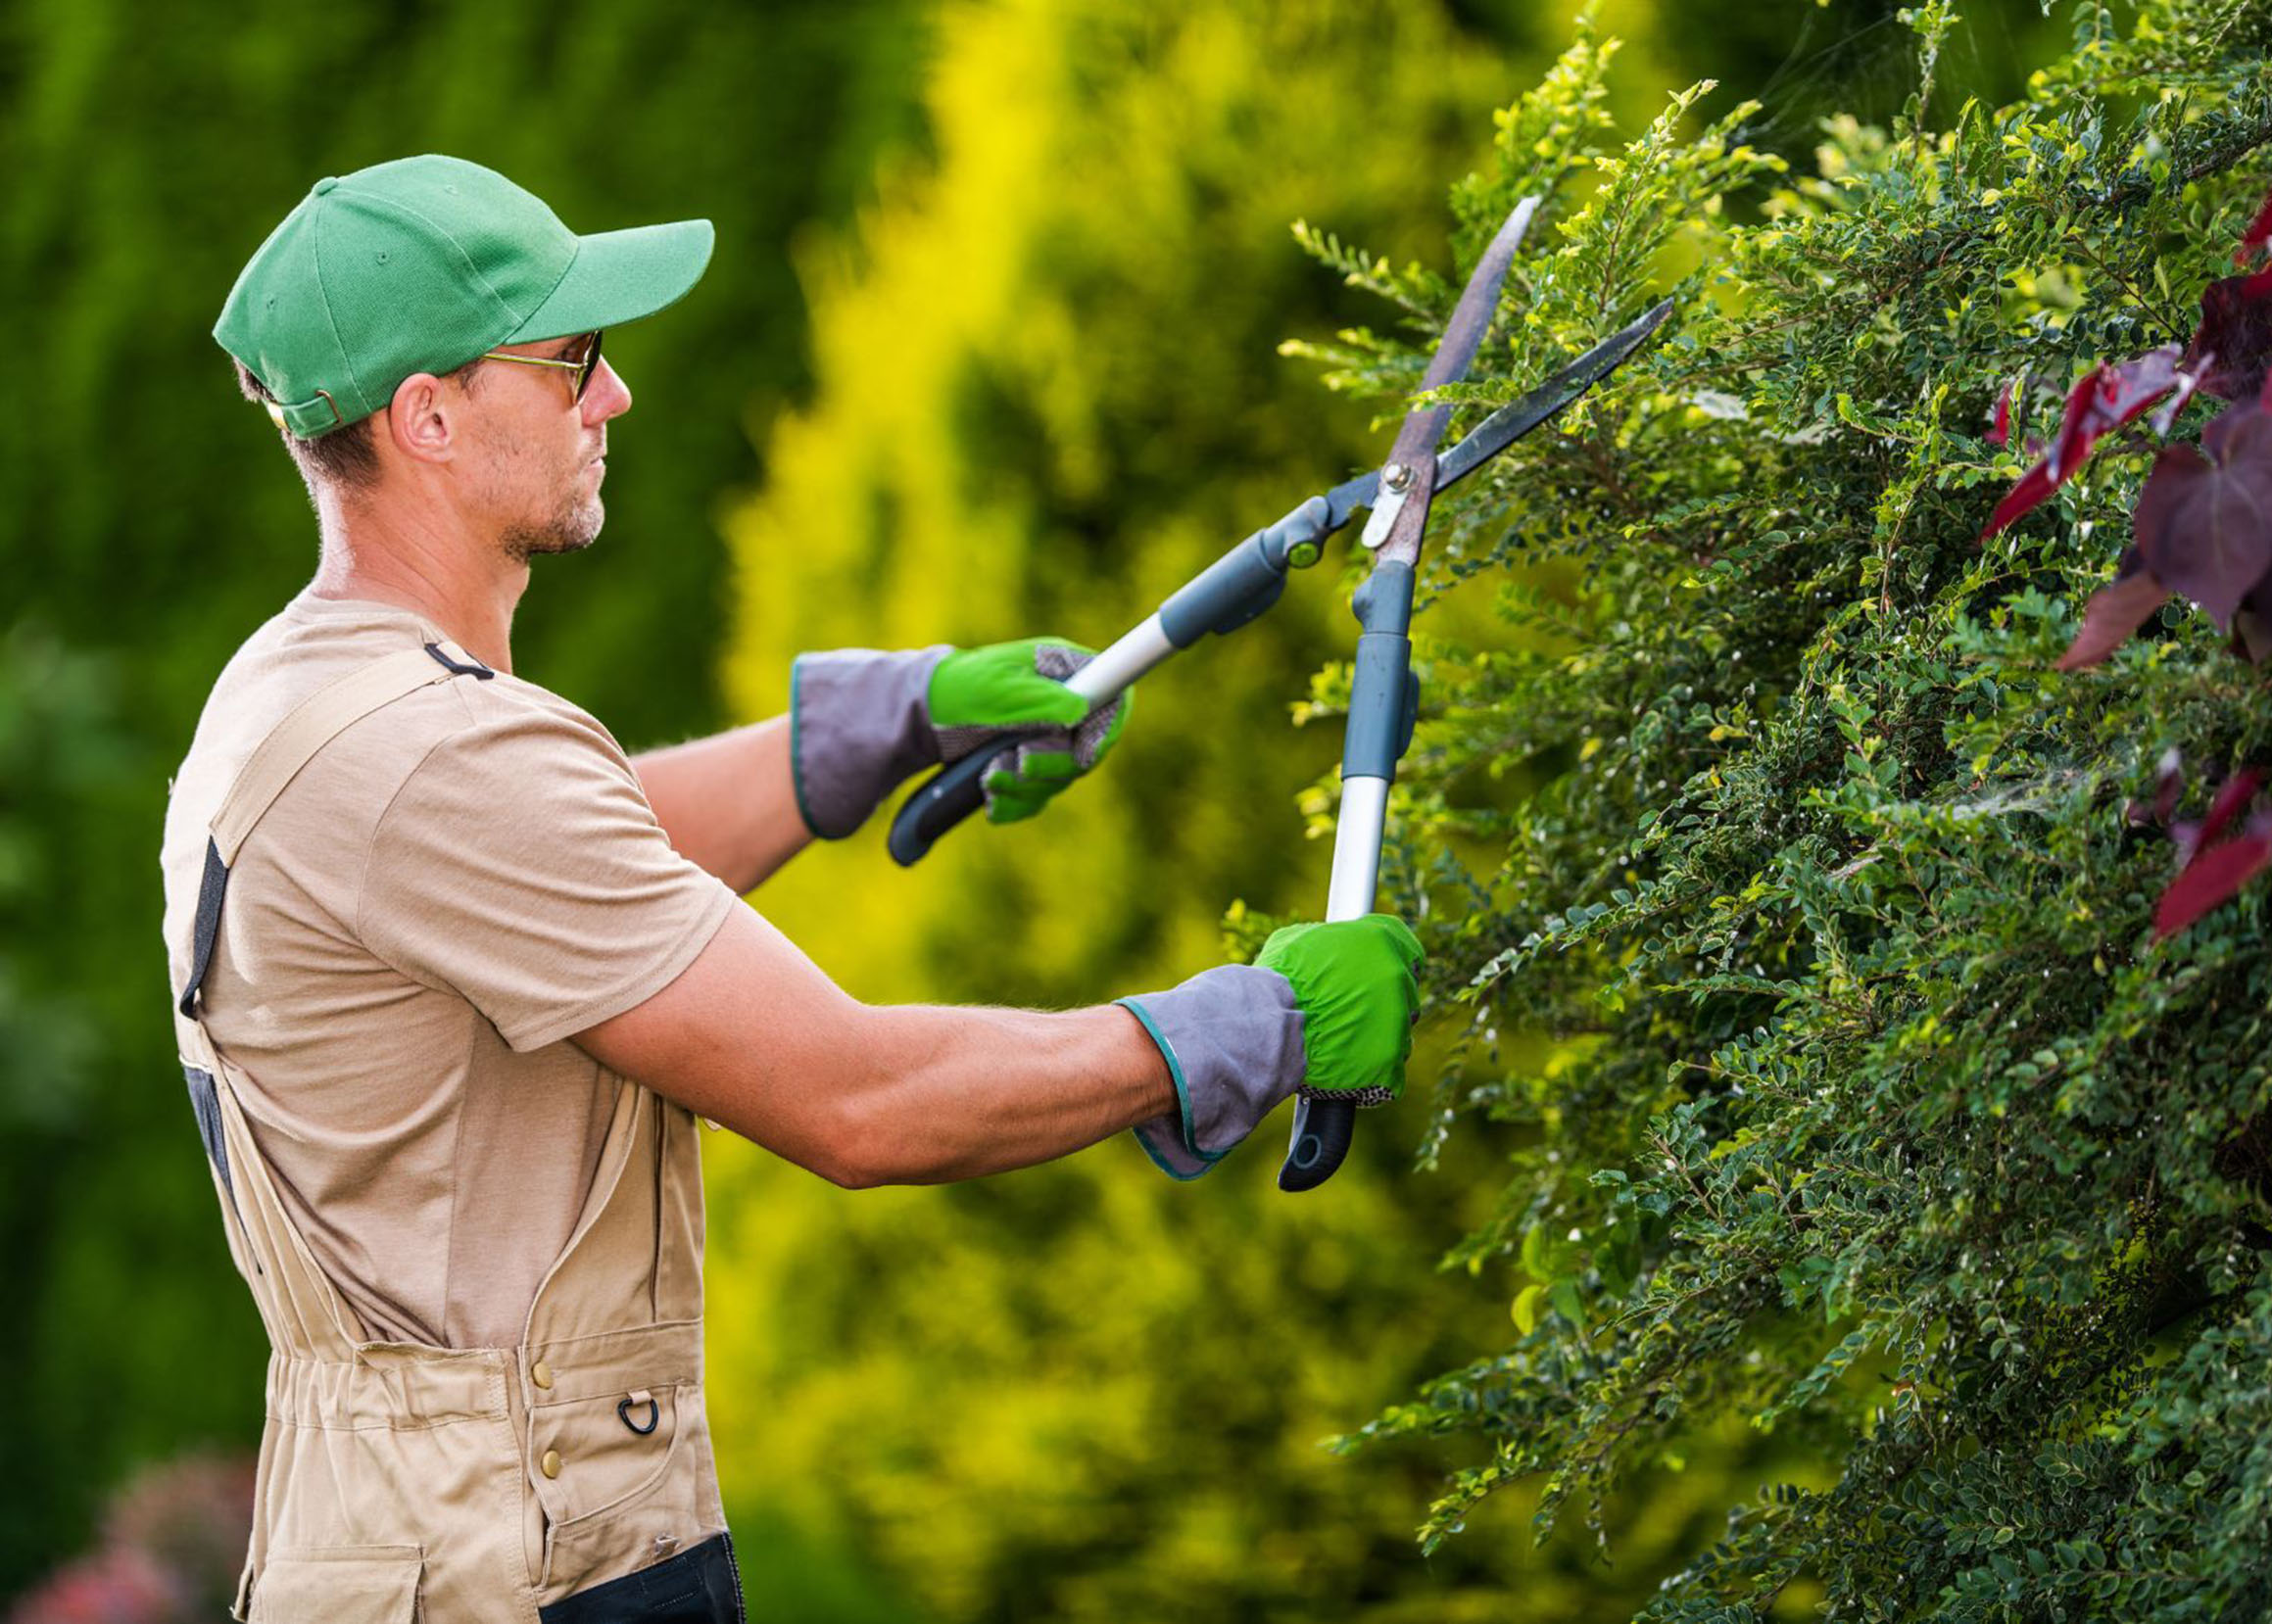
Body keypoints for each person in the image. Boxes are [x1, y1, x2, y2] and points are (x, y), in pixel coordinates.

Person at [159, 155, 1423, 1624]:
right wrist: (1242, 1029)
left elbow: (574, 860)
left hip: (414, 1538)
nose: (612, 397)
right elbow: (857, 1100)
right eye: (570, 362)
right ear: (427, 416)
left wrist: (891, 716)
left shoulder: (305, 697)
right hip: (523, 1568)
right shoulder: (436, 753)